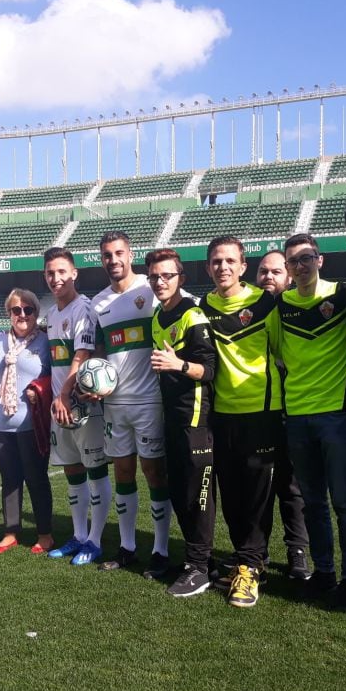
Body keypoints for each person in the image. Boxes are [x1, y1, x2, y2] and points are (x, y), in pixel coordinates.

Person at [277, 235, 346, 608]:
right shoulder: (280, 305)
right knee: (312, 501)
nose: (300, 266)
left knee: (345, 501)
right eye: (292, 262)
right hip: (296, 415)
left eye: (306, 258)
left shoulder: (344, 296)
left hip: (336, 413)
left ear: (320, 259)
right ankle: (324, 572)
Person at [199, 236, 282, 608]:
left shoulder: (265, 303)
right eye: (216, 261)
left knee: (257, 495)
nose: (223, 267)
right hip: (222, 414)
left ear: (243, 266)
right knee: (230, 493)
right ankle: (247, 557)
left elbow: (282, 352)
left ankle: (250, 566)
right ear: (208, 267)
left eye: (230, 261)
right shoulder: (204, 305)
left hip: (261, 412)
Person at [90, 231, 172, 579]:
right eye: (107, 255)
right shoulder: (99, 303)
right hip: (115, 404)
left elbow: (186, 308)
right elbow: (98, 352)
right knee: (122, 472)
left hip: (150, 400)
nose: (113, 260)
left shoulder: (151, 289)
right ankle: (127, 547)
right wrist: (92, 380)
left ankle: (161, 549)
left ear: (130, 254)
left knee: (154, 472)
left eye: (118, 253)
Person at [146, 249, 218, 597]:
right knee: (178, 491)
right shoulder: (158, 316)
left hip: (195, 420)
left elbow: (210, 370)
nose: (160, 282)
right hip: (170, 418)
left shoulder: (194, 315)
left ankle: (200, 568)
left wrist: (179, 366)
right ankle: (194, 558)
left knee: (198, 495)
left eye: (167, 276)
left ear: (181, 278)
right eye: (155, 277)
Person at [43, 247, 112, 565]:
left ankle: (95, 541)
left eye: (61, 272)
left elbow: (81, 356)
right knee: (72, 472)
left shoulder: (83, 308)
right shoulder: (53, 313)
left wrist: (64, 394)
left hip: (82, 405)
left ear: (74, 274)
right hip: (62, 407)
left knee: (95, 471)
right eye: (50, 272)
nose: (55, 278)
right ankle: (79, 535)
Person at [253, 249, 313, 581]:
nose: (268, 278)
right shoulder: (249, 311)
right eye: (263, 272)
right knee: (259, 486)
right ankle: (256, 552)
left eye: (276, 272)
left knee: (291, 488)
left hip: (294, 410)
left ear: (288, 276)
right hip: (258, 413)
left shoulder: (297, 309)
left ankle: (297, 552)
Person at [0, 289, 52, 553]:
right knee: (9, 478)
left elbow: (57, 376)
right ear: (8, 314)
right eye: (16, 310)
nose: (22, 315)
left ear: (36, 313)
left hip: (31, 424)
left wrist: (40, 388)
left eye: (28, 310)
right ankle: (11, 531)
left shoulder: (46, 342)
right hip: (0, 424)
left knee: (36, 478)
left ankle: (45, 533)